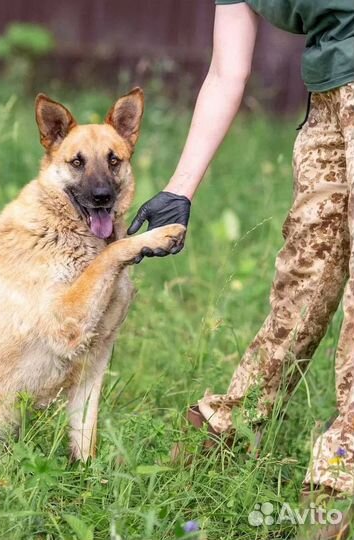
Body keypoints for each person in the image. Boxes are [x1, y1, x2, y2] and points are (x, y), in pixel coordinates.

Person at [127, 1, 354, 537]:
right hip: (328, 102)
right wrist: (180, 190)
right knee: (306, 266)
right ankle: (234, 423)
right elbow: (228, 71)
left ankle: (338, 476)